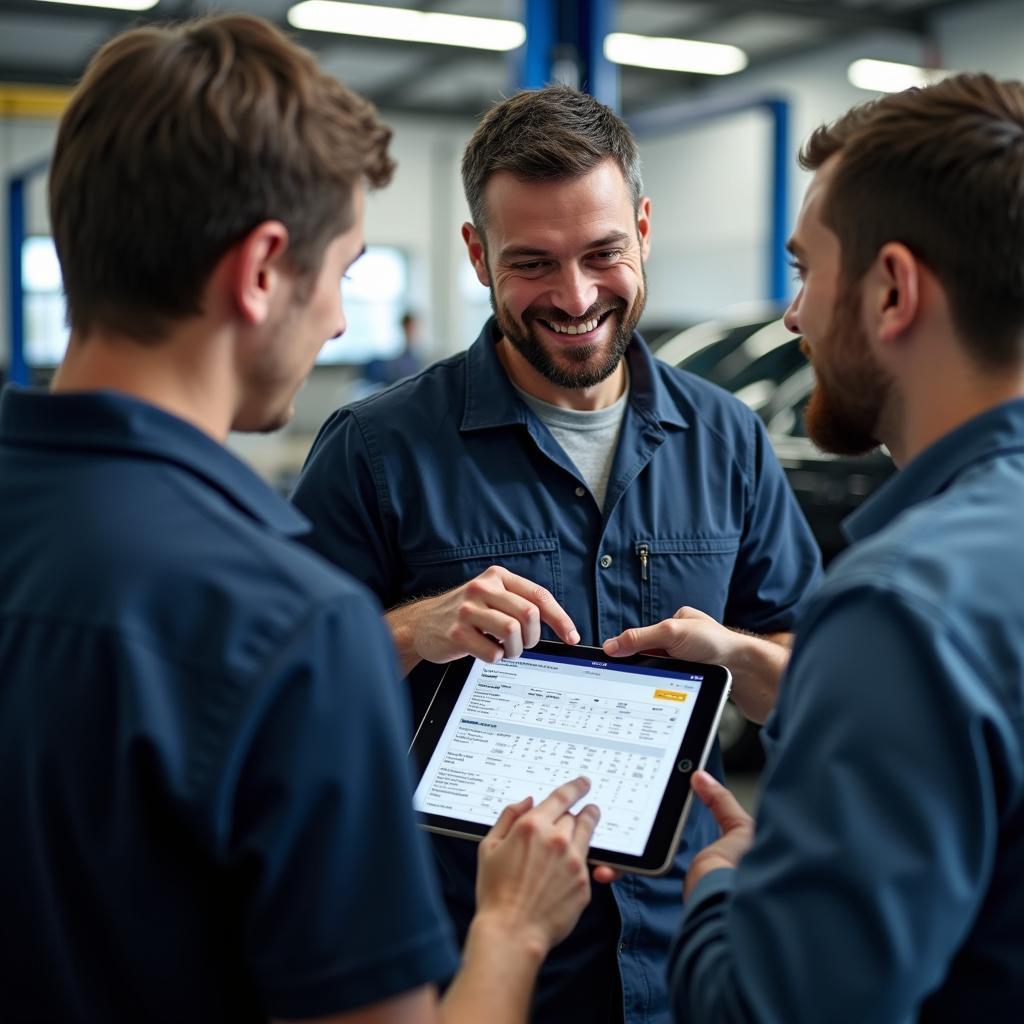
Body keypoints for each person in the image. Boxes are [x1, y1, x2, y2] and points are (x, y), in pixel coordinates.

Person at [0, 16, 602, 1024]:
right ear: (262, 268)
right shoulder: (282, 621)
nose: (334, 317)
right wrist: (511, 926)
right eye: (344, 271)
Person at [291, 84, 823, 1024]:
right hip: (476, 968)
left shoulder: (728, 440)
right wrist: (416, 627)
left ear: (644, 229)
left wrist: (742, 660)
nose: (576, 298)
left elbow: (814, 681)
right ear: (475, 254)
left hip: (679, 961)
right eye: (532, 263)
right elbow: (289, 698)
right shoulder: (375, 449)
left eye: (603, 254)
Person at [607, 73, 1024, 1022]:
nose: (792, 319)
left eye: (804, 271)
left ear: (891, 291)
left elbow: (774, 1007)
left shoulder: (901, 603)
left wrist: (722, 886)